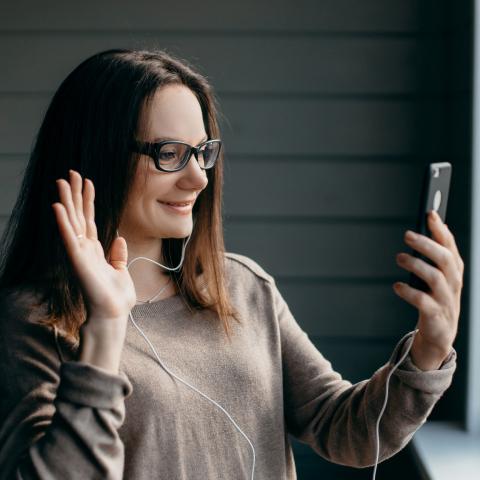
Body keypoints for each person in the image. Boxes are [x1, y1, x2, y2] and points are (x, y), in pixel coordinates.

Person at [0, 49, 463, 480]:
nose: (198, 177)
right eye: (169, 153)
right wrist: (104, 326)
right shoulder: (32, 319)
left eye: (202, 151)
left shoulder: (242, 284)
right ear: (98, 156)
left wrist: (429, 349)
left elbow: (347, 429)